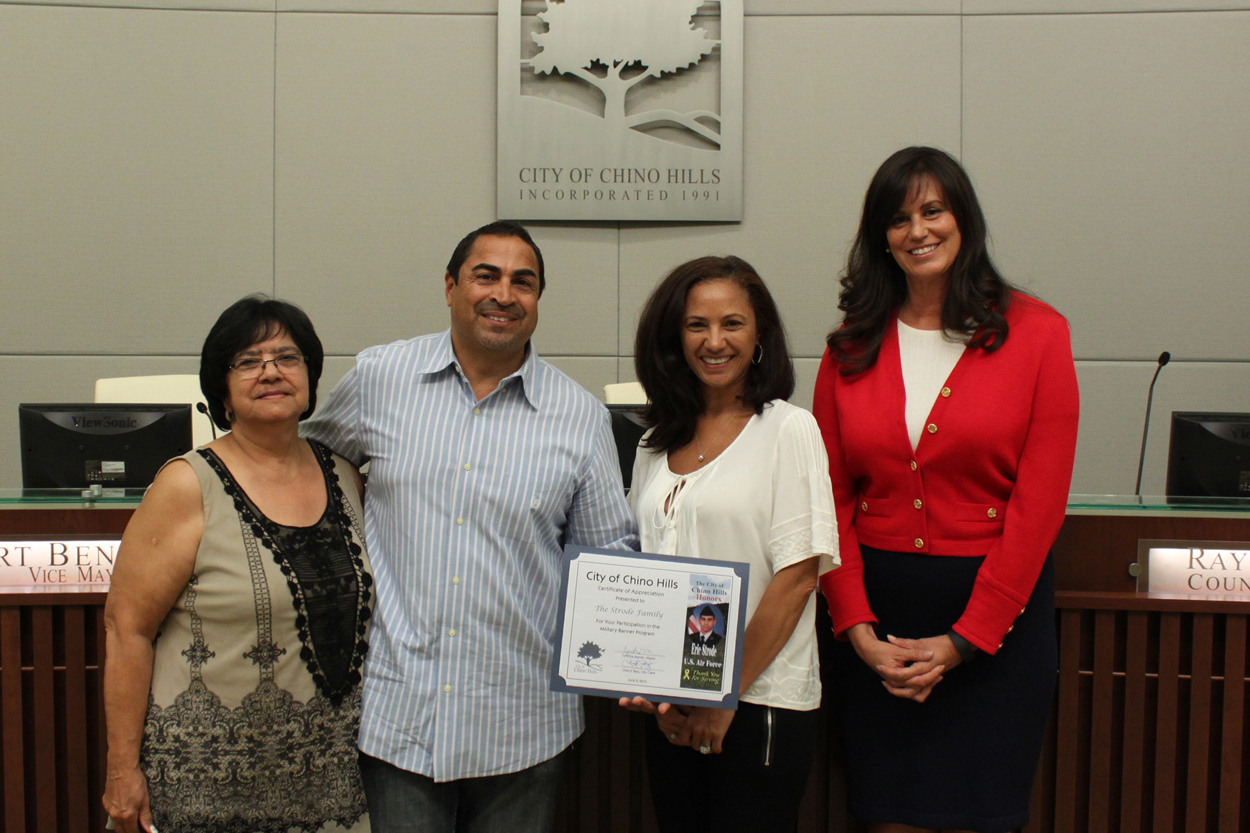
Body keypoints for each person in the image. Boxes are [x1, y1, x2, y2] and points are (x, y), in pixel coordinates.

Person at [302, 221, 639, 833]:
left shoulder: (581, 418)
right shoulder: (381, 379)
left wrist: (646, 654)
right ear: (452, 287)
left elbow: (607, 563)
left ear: (538, 301)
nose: (503, 294)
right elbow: (304, 469)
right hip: (401, 713)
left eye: (523, 282)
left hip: (524, 722)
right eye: (486, 275)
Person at [813, 146, 1079, 833]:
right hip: (880, 631)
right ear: (881, 236)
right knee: (886, 817)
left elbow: (1039, 506)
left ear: (964, 219)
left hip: (995, 634)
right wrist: (859, 631)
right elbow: (829, 500)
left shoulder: (1039, 334)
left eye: (933, 210)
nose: (918, 230)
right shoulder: (849, 346)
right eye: (898, 218)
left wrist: (967, 638)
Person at [102, 296, 373, 833]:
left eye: (287, 357)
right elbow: (125, 629)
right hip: (205, 784)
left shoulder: (345, 476)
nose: (270, 371)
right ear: (221, 391)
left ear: (311, 378)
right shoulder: (186, 484)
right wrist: (120, 770)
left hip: (332, 784)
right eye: (248, 361)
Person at [623, 256, 837, 832]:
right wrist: (650, 687)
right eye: (697, 325)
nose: (714, 342)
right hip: (673, 707)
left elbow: (797, 578)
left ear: (760, 335)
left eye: (732, 324)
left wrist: (722, 695)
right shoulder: (653, 442)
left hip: (758, 698)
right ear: (674, 336)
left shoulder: (788, 430)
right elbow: (648, 577)